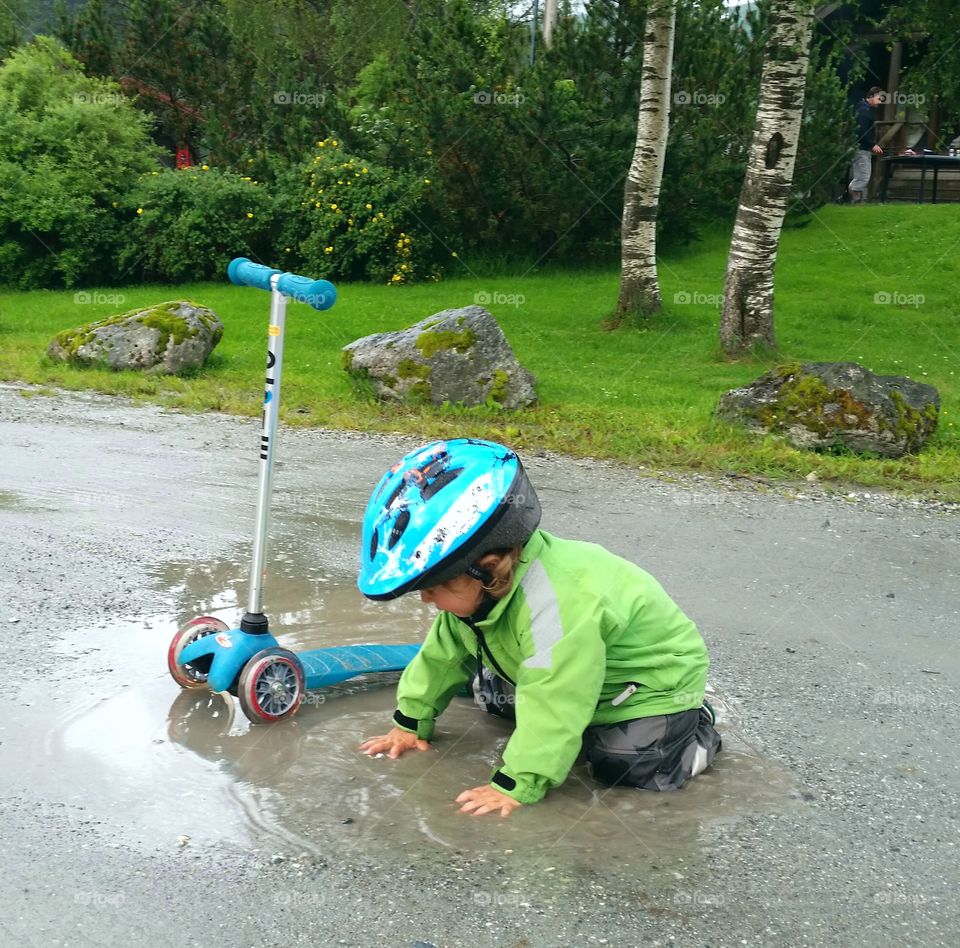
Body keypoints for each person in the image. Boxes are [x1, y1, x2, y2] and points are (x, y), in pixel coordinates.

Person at [358, 438, 721, 817]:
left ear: (488, 566)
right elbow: (441, 658)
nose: (426, 600)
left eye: (434, 588)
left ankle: (694, 730)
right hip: (575, 674)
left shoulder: (557, 604)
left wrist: (518, 782)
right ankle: (576, 733)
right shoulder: (479, 595)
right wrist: (411, 723)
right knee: (494, 701)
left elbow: (555, 696)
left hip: (649, 685)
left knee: (624, 764)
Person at [849, 86, 886, 203]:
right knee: (864, 177)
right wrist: (872, 145)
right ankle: (853, 199)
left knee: (861, 176)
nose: (880, 102)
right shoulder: (864, 110)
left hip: (862, 148)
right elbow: (861, 131)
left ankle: (855, 200)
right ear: (870, 97)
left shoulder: (865, 108)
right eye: (878, 99)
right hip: (861, 148)